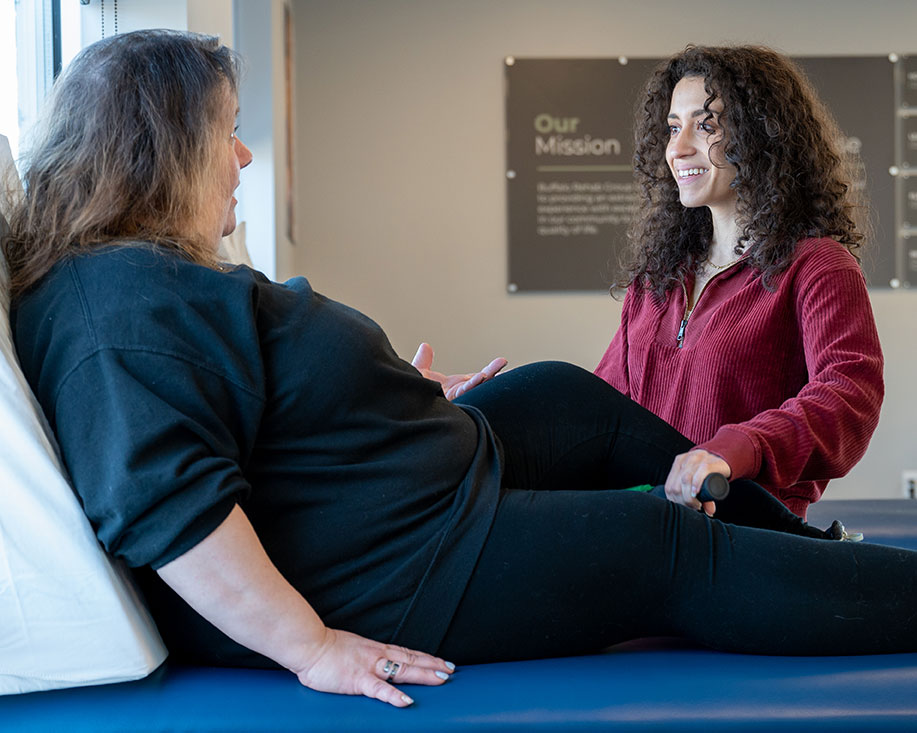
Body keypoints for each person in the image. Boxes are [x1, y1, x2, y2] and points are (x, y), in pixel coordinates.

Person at [5, 31, 917, 711]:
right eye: (225, 133)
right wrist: (311, 647)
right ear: (151, 148)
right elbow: (170, 505)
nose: (242, 155)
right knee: (655, 543)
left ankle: (812, 559)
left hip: (421, 468)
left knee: (569, 395)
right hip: (412, 550)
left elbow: (242, 405)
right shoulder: (106, 315)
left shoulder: (136, 276)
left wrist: (389, 397)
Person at [594, 45, 884, 519]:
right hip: (648, 531)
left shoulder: (817, 266)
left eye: (705, 125)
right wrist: (491, 406)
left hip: (745, 536)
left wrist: (735, 450)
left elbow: (848, 397)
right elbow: (599, 407)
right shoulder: (660, 279)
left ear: (760, 137)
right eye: (673, 127)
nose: (678, 147)